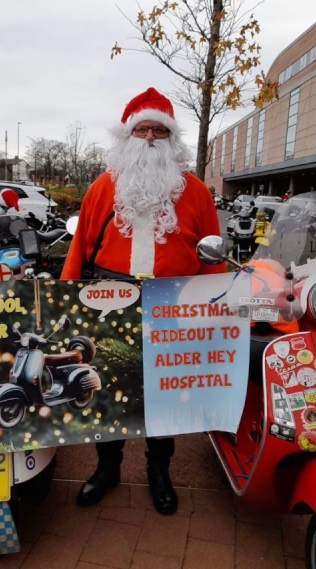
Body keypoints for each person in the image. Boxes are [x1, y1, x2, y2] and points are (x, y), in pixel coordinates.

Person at [62, 87, 225, 515]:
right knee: (107, 386)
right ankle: (108, 468)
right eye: (142, 129)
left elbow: (211, 253)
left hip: (173, 305)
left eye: (158, 129)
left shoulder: (196, 193)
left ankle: (159, 473)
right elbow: (79, 246)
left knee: (163, 396)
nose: (150, 136)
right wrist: (66, 301)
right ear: (127, 136)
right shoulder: (102, 188)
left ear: (171, 138)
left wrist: (216, 309)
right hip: (108, 301)